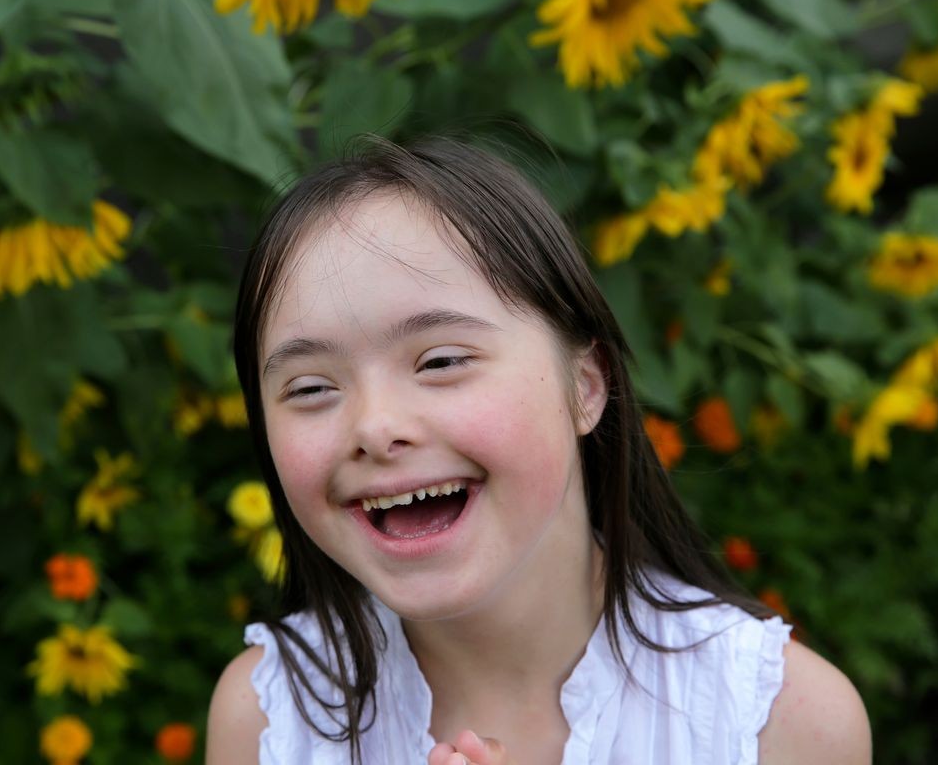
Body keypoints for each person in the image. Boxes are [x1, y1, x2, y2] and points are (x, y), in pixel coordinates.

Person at [207, 137, 871, 765]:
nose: (375, 427)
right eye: (313, 387)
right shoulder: (267, 720)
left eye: (440, 361)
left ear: (586, 386)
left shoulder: (781, 723)